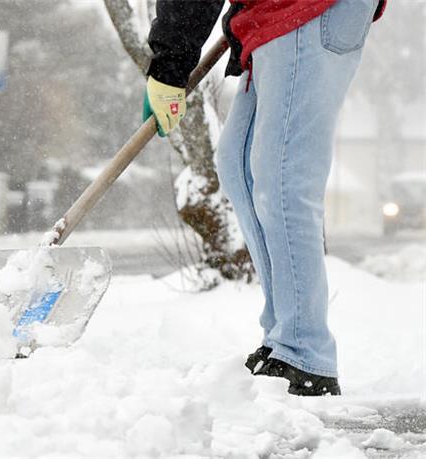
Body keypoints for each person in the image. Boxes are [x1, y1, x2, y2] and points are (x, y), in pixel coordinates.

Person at [143, 0, 386, 396]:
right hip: (275, 15)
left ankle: (306, 354)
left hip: (307, 8)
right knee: (239, 166)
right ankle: (283, 337)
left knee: (284, 176)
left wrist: (170, 63)